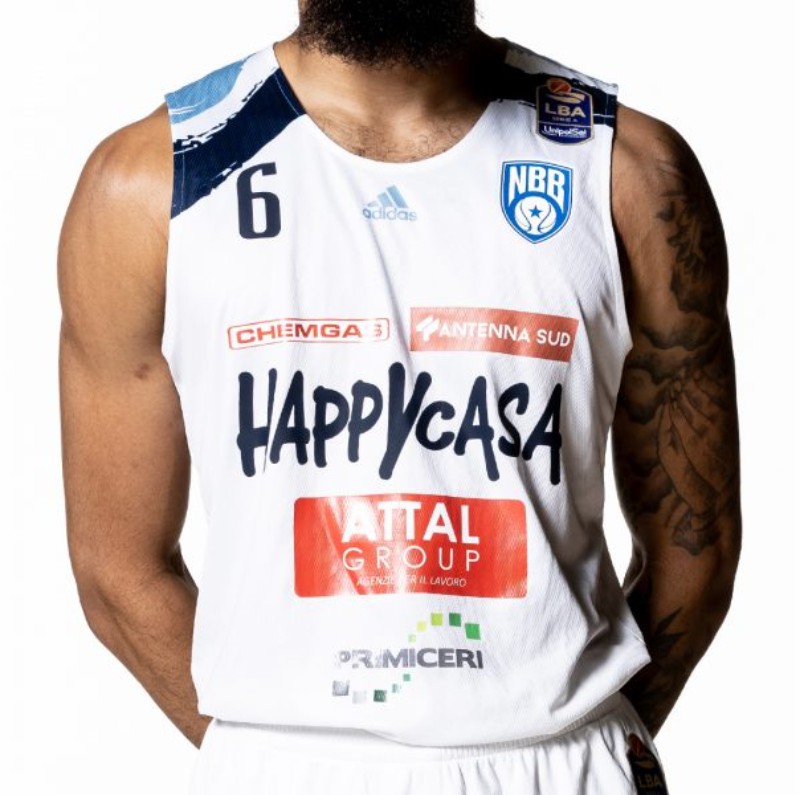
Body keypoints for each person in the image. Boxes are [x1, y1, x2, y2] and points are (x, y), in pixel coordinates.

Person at [57, 1, 741, 792]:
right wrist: (269, 751)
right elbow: (117, 567)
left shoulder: (629, 172)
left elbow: (698, 547)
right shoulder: (150, 182)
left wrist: (587, 738)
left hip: (563, 759)